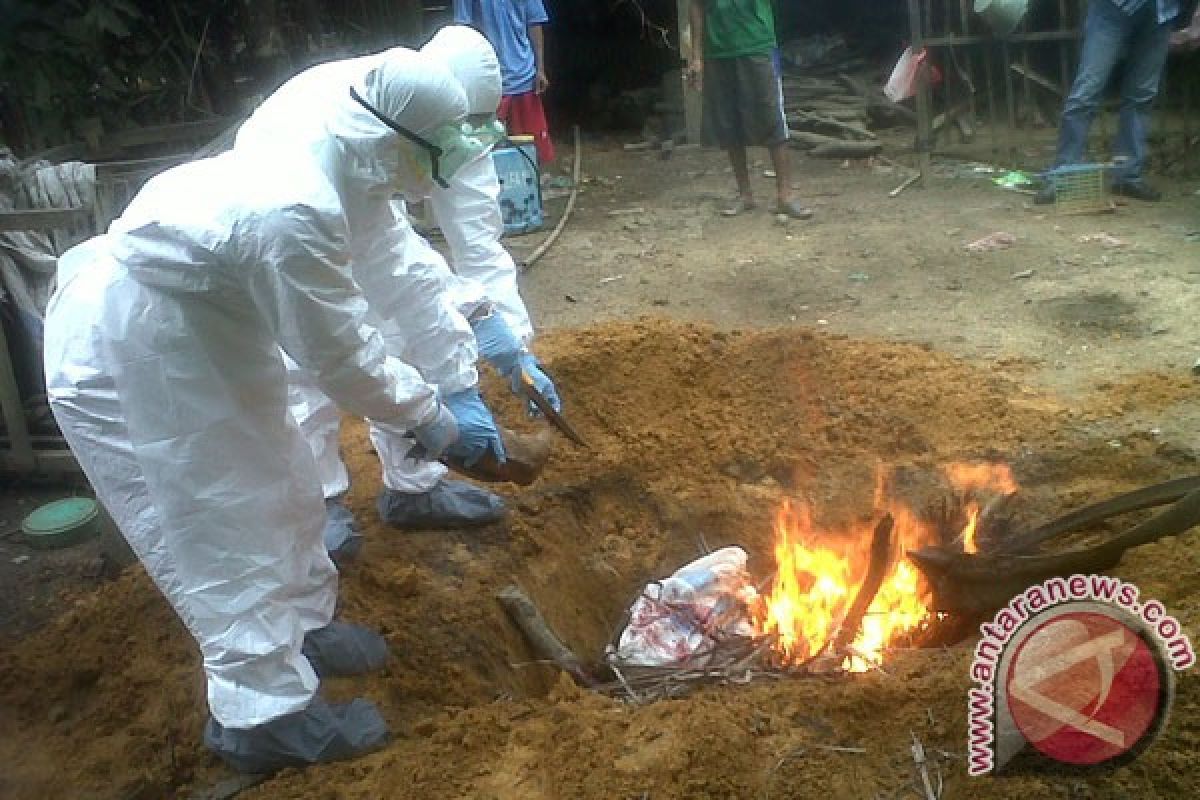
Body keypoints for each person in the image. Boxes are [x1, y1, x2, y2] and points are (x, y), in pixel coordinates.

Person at [43, 51, 509, 774]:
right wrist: (432, 418)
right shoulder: (295, 207)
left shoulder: (344, 180)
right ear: (391, 141)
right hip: (133, 353)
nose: (445, 165)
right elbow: (345, 355)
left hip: (198, 338)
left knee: (286, 482)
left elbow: (401, 275)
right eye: (441, 148)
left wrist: (461, 367)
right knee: (221, 524)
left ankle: (300, 630)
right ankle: (258, 714)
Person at [234, 26, 560, 551]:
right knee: (305, 368)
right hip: (283, 230)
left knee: (402, 331)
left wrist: (505, 342)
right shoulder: (318, 154)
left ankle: (413, 488)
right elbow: (339, 341)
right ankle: (318, 505)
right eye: (453, 136)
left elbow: (460, 248)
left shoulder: (429, 123)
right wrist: (436, 412)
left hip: (357, 201)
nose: (463, 146)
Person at [1036, 0, 1200, 204]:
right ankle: (1062, 176)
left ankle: (1128, 176)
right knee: (1087, 91)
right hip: (1113, 7)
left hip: (1161, 12)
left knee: (1141, 96)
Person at [687, 0, 813, 220]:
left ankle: (785, 195)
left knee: (772, 116)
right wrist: (696, 56)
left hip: (757, 43)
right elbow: (696, 5)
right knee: (729, 122)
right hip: (718, 50)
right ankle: (745, 195)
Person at [453, 0, 555, 167]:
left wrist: (540, 69)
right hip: (489, 76)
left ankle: (532, 184)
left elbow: (534, 23)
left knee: (531, 147)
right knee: (486, 148)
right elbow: (464, 31)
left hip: (523, 75)